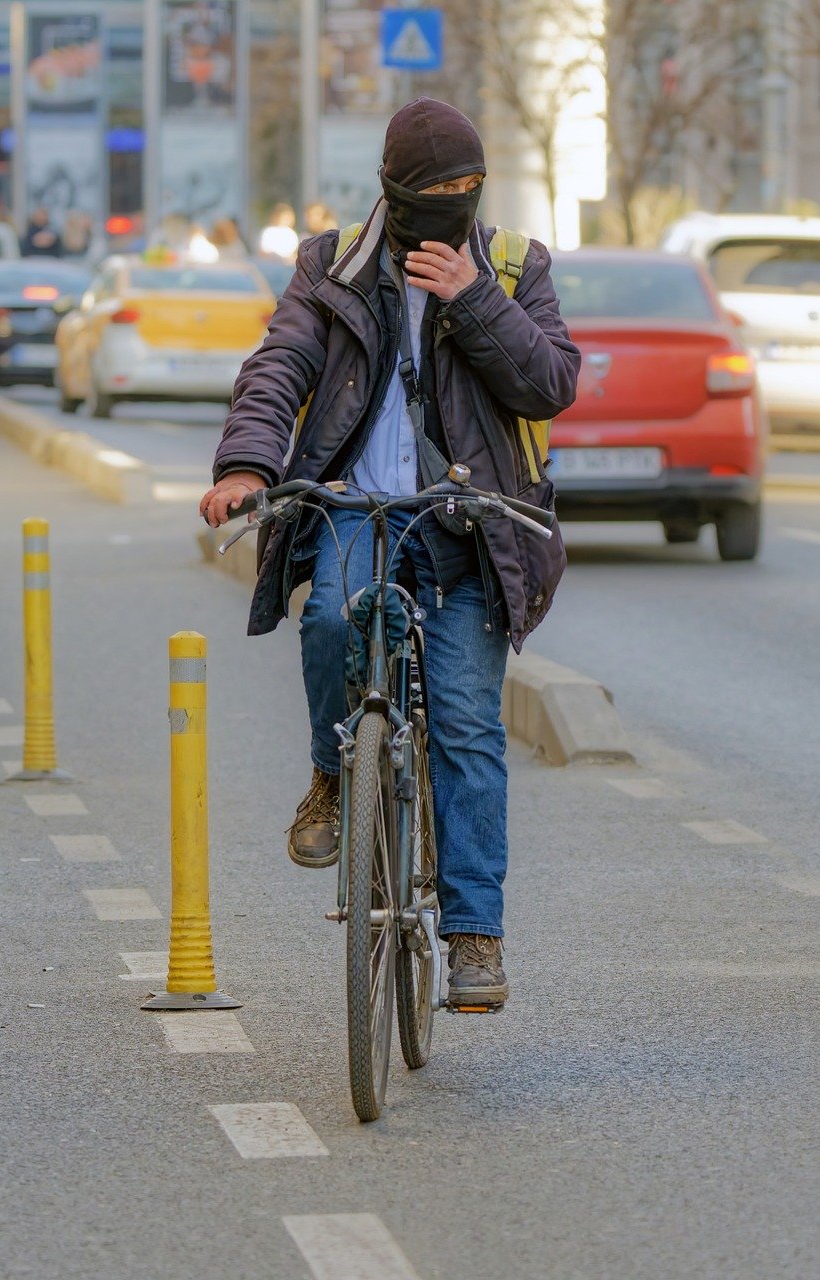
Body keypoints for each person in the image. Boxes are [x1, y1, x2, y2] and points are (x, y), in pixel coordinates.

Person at [200, 98, 580, 1010]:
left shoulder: (514, 268)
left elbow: (549, 385)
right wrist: (248, 463)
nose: (455, 203)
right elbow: (278, 366)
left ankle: (475, 933)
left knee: (462, 724)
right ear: (394, 192)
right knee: (329, 617)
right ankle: (334, 778)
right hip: (354, 511)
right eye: (436, 191)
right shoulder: (331, 268)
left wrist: (472, 297)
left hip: (467, 524)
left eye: (468, 190)